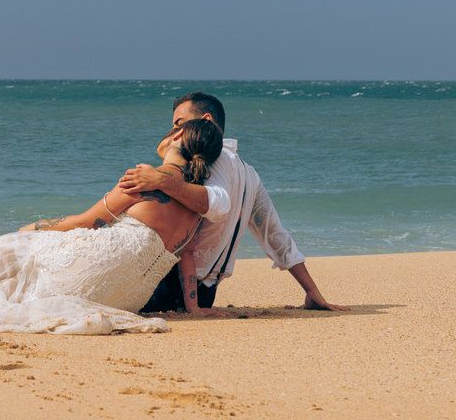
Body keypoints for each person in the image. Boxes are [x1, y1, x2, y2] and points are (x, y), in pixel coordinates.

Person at [0, 119, 227, 335]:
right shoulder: (198, 204)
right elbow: (188, 255)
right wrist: (193, 309)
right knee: (34, 264)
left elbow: (85, 222)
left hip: (97, 268)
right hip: (128, 298)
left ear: (178, 137)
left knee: (16, 243)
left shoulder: (145, 176)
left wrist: (36, 227)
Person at [117, 91, 347, 314]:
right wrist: (311, 290)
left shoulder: (215, 160)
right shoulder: (249, 173)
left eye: (179, 123)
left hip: (169, 288)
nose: (173, 132)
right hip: (205, 294)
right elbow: (275, 234)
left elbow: (219, 202)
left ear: (206, 120)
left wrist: (163, 181)